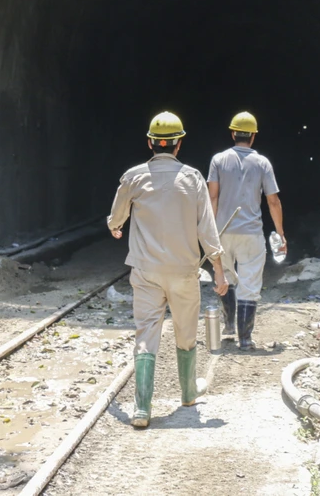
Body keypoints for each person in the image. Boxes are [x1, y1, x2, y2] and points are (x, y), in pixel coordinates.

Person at [107, 111, 228, 428]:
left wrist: (115, 225)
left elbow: (116, 215)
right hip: (184, 271)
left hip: (146, 271)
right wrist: (219, 269)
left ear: (150, 143)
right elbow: (207, 229)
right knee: (186, 331)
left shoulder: (134, 176)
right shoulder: (192, 178)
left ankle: (141, 408)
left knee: (146, 333)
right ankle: (188, 393)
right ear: (179, 143)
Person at [207, 111, 285, 350]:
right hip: (251, 233)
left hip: (223, 231)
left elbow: (212, 197)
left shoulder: (218, 160)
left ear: (233, 134)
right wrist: (280, 234)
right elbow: (273, 201)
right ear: (253, 136)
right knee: (249, 284)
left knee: (226, 277)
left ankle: (229, 326)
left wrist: (210, 232)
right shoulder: (262, 163)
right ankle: (245, 340)